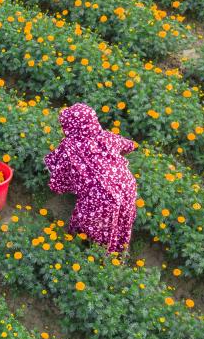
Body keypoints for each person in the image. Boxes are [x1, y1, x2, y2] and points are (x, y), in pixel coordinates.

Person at [43, 103, 137, 254]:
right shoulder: (107, 136)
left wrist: (63, 182)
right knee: (119, 220)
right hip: (126, 186)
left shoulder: (68, 147)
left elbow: (54, 167)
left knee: (91, 229)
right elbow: (129, 146)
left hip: (100, 196)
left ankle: (90, 252)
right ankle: (115, 253)